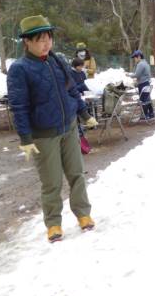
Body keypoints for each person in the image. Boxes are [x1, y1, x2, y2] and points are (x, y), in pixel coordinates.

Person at [7, 15, 98, 243]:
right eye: (40, 39)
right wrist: (25, 138)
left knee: (77, 174)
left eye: (48, 38)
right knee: (52, 182)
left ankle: (83, 214)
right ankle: (54, 224)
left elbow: (72, 90)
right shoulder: (19, 69)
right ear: (27, 41)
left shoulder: (57, 61)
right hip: (43, 135)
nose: (46, 43)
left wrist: (85, 115)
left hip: (69, 128)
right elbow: (19, 106)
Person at [128, 50, 154, 120]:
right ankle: (151, 113)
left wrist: (129, 75)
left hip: (142, 84)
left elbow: (137, 74)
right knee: (147, 99)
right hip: (147, 83)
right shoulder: (146, 63)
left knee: (143, 100)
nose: (134, 59)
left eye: (135, 58)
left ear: (139, 57)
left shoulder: (140, 64)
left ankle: (145, 115)